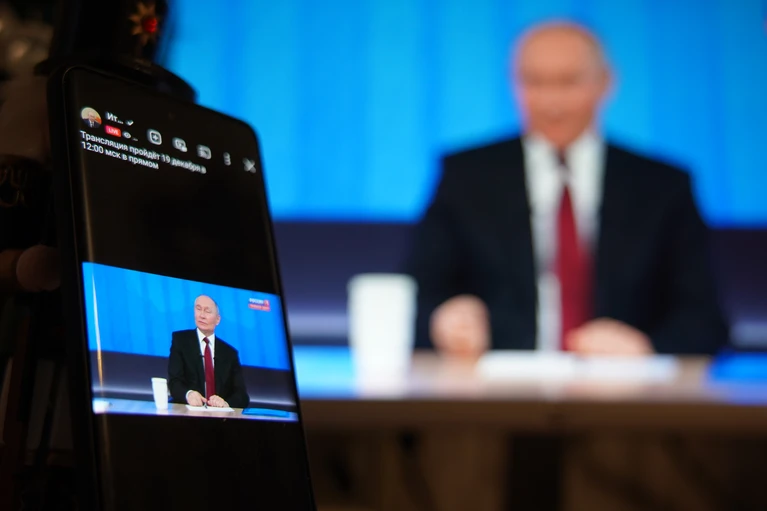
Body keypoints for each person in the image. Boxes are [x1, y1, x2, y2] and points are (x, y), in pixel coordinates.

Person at [405, 21, 728, 358]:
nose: (551, 102)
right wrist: (444, 320)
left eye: (568, 82)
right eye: (534, 82)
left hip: (620, 384)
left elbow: (704, 319)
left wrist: (645, 348)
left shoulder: (662, 186)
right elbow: (418, 297)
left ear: (606, 82)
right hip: (498, 380)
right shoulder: (466, 176)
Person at [168, 294, 250, 408]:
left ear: (217, 320)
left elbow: (242, 395)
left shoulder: (229, 353)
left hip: (218, 415)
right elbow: (174, 382)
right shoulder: (181, 340)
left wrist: (225, 403)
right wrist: (188, 394)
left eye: (207, 311)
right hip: (188, 412)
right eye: (198, 309)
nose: (202, 315)